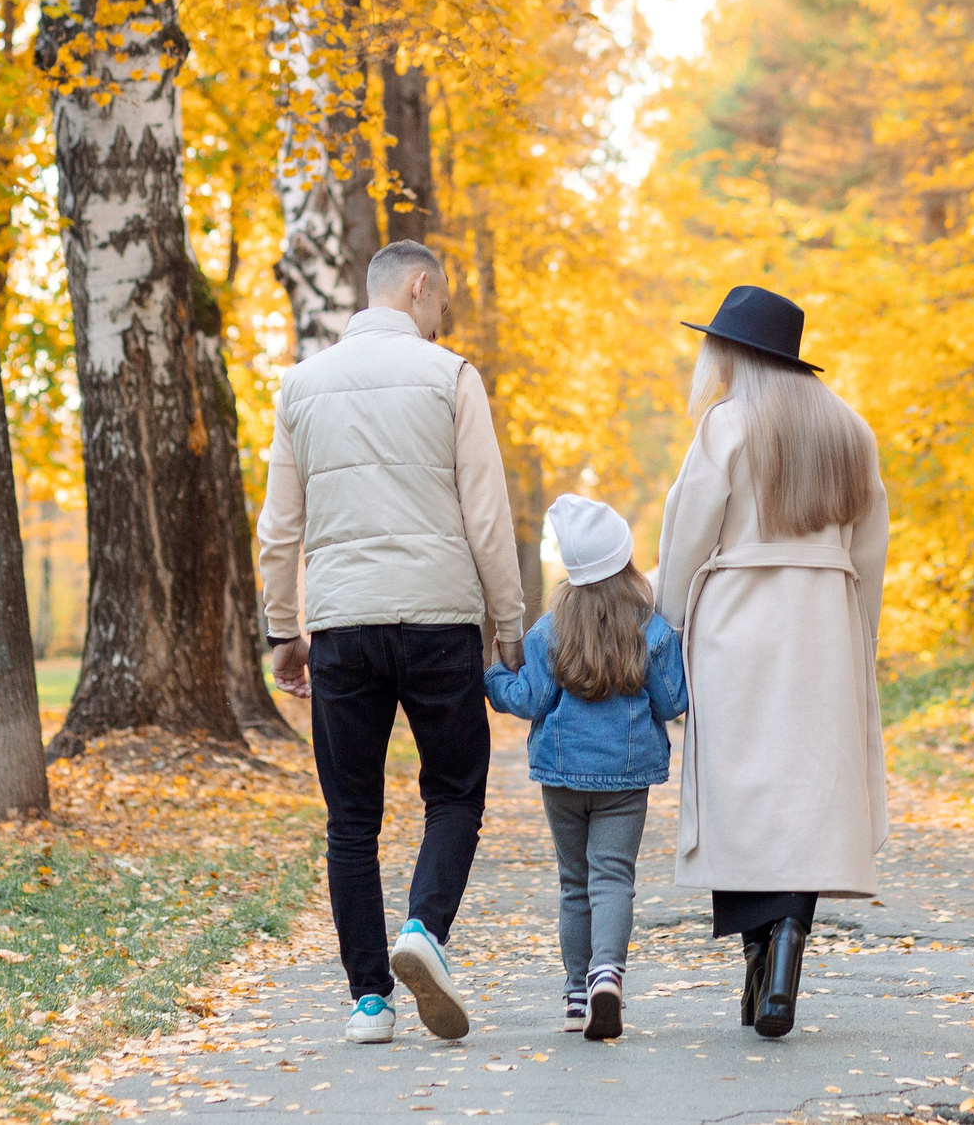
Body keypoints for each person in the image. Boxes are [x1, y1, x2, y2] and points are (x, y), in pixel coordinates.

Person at [257, 239, 526, 1047]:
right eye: (439, 302)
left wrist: (282, 630)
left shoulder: (300, 386)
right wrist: (507, 623)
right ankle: (425, 930)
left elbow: (279, 528)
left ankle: (369, 1002)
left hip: (342, 626)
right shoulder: (450, 376)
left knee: (351, 819)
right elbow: (486, 515)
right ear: (417, 288)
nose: (441, 317)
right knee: (453, 795)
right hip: (439, 622)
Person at [656, 284, 888, 1040]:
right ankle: (784, 950)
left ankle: (762, 949)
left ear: (738, 353)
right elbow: (870, 552)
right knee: (808, 793)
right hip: (825, 615)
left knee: (743, 789)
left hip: (739, 621)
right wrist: (860, 632)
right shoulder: (851, 429)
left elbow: (690, 531)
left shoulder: (727, 425)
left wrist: (667, 622)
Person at [483, 494, 687, 1042]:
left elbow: (527, 699)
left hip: (562, 779)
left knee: (574, 884)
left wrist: (492, 680)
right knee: (613, 878)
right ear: (627, 561)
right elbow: (672, 704)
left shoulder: (550, 632)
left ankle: (577, 996)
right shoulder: (653, 629)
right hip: (627, 779)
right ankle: (607, 976)